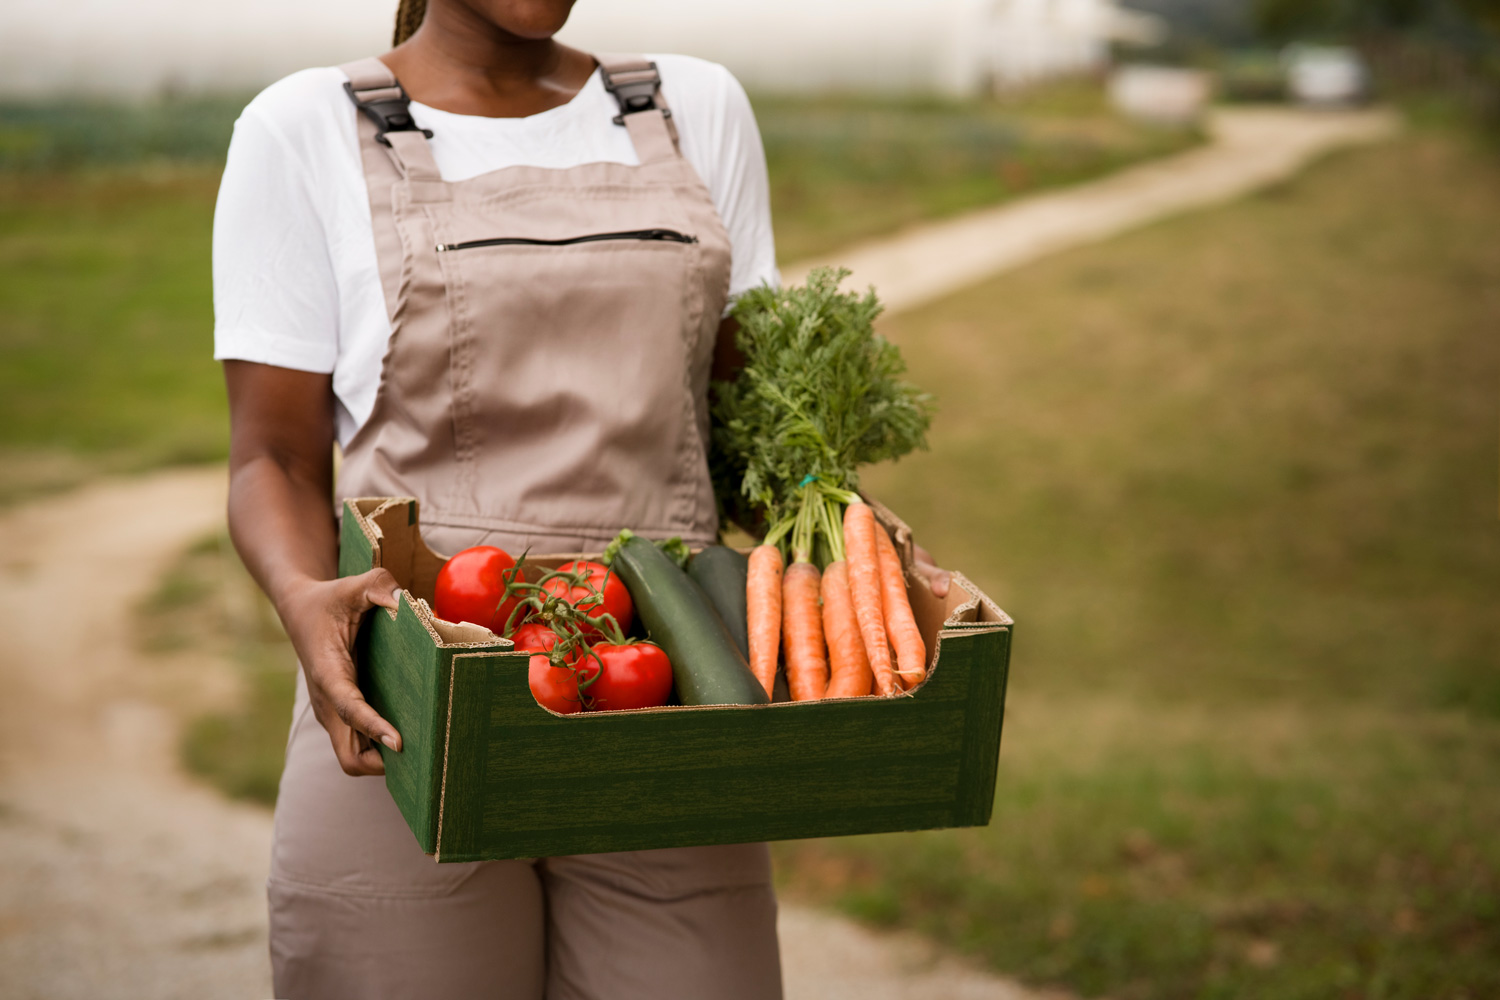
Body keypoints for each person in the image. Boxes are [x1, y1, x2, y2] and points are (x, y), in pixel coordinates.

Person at [214, 0, 951, 995]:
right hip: (413, 710)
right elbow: (275, 455)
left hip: (672, 702)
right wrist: (305, 596)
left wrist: (854, 553)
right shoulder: (302, 127)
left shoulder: (693, 107)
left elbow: (743, 417)